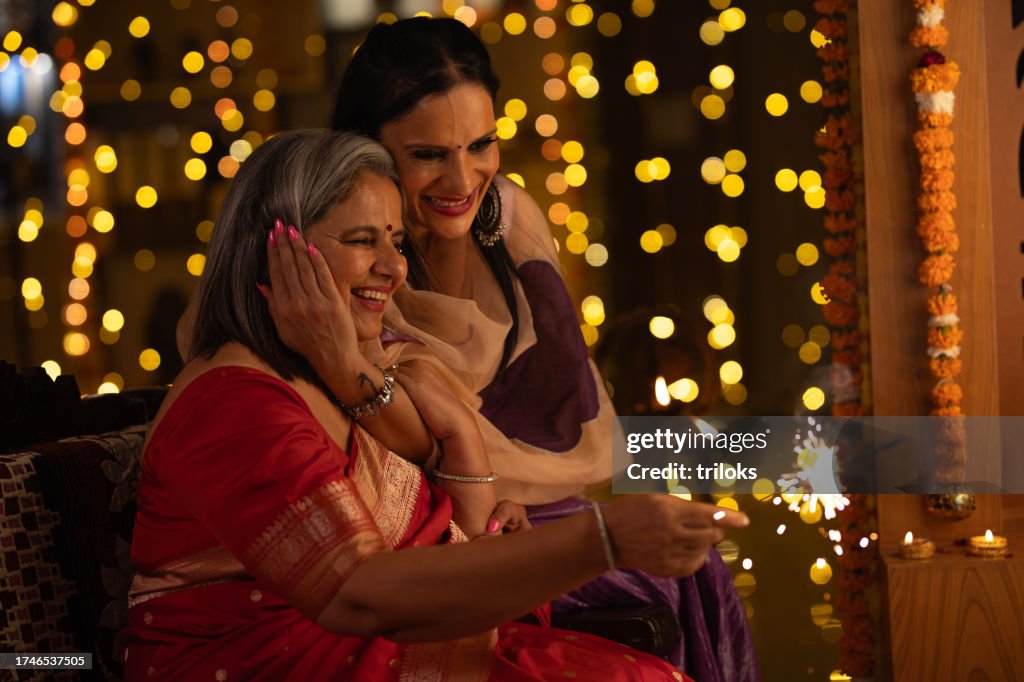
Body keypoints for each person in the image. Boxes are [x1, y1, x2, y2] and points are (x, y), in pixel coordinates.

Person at [125, 129, 747, 680]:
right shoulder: (236, 404)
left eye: (396, 241)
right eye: (364, 240)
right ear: (277, 250)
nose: (394, 269)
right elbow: (359, 596)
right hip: (293, 658)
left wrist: (458, 436)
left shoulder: (363, 372)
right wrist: (602, 539)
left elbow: (469, 524)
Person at [322, 18, 761, 680]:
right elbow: (401, 440)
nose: (462, 178)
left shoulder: (510, 215)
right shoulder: (358, 261)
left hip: (556, 511)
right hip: (449, 545)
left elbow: (567, 408)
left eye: (481, 144)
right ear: (368, 150)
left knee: (697, 569)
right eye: (429, 154)